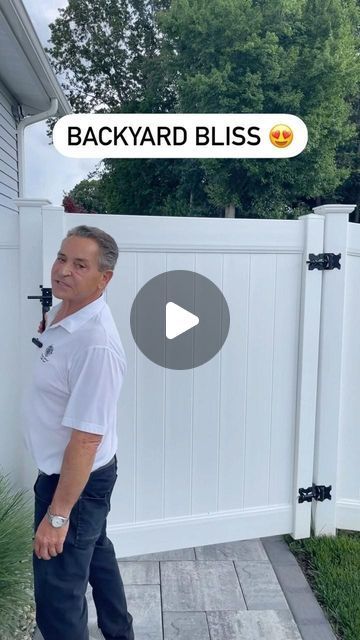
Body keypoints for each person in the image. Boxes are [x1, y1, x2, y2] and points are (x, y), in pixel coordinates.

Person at [21, 225, 134, 640]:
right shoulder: (66, 310)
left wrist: (57, 515)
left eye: (79, 264)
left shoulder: (95, 344)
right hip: (81, 479)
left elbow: (87, 438)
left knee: (58, 599)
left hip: (72, 484)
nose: (63, 270)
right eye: (62, 258)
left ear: (104, 278)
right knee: (97, 557)